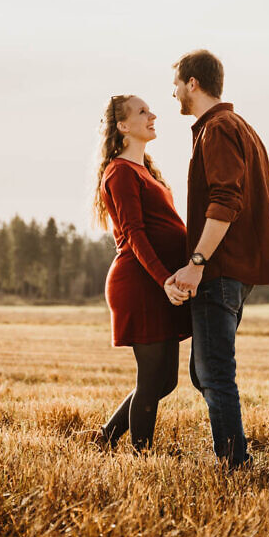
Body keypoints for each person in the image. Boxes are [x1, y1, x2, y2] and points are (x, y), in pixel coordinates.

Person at [166, 50, 269, 470]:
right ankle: (233, 454)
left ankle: (235, 464)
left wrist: (196, 262)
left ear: (193, 83)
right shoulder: (241, 128)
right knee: (205, 372)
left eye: (177, 82)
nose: (174, 91)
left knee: (214, 372)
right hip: (234, 270)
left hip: (218, 270)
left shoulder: (217, 129)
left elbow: (226, 200)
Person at [88, 94, 192, 452]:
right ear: (123, 126)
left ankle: (105, 437)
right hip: (140, 283)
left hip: (157, 282)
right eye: (143, 112)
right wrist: (165, 279)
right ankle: (142, 457)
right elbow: (134, 234)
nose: (153, 116)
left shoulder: (144, 170)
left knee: (165, 382)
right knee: (151, 379)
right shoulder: (118, 172)